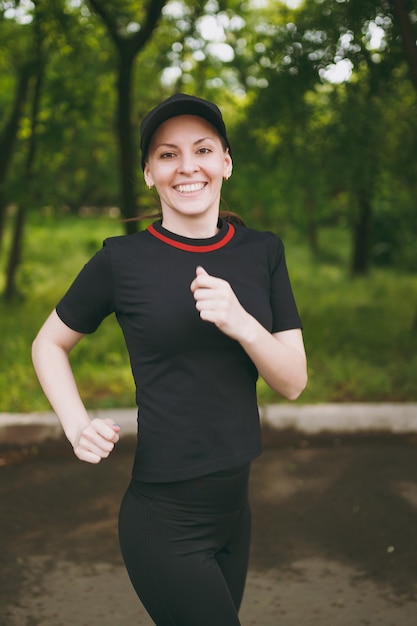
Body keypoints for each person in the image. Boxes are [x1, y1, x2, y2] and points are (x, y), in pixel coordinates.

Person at [32, 93, 307, 626]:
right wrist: (75, 423)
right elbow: (49, 343)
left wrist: (243, 323)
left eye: (202, 149)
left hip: (235, 512)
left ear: (225, 162)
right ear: (148, 172)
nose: (187, 166)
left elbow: (293, 382)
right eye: (167, 154)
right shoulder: (122, 259)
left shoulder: (263, 251)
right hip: (165, 520)